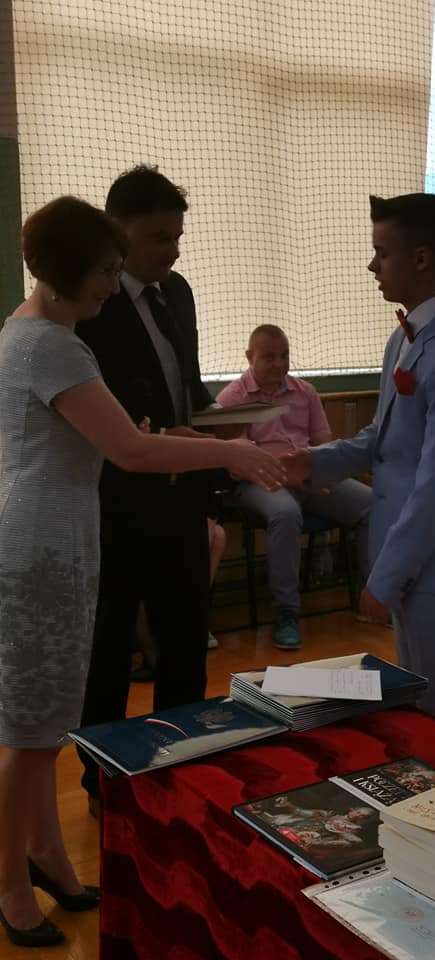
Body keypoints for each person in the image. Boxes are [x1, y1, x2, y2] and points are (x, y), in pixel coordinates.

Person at [0, 196, 284, 948]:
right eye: (103, 271)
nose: (110, 284)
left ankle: (46, 855)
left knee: (43, 727)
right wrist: (228, 451)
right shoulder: (53, 344)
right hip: (42, 544)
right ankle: (9, 885)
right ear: (70, 271)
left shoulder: (29, 330)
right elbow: (128, 450)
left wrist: (165, 435)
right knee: (27, 732)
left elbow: (107, 437)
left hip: (55, 533)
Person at [283, 193, 435, 734]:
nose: (372, 265)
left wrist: (386, 577)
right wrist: (311, 462)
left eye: (382, 252)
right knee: (419, 704)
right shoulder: (404, 339)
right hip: (412, 555)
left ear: (421, 258)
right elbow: (382, 438)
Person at [73, 165, 240, 813]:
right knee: (108, 655)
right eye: (158, 237)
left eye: (177, 236)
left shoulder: (179, 293)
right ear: (117, 234)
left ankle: (179, 768)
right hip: (113, 509)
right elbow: (97, 418)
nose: (172, 250)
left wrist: (223, 424)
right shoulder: (89, 305)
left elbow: (186, 387)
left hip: (181, 500)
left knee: (185, 645)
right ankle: (103, 785)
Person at [215, 324, 371, 650]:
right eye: (269, 357)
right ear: (249, 357)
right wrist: (297, 478)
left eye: (284, 356)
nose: (279, 363)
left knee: (373, 504)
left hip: (309, 477)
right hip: (257, 482)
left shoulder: (305, 392)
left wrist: (322, 475)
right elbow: (240, 463)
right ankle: (286, 613)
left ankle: (371, 596)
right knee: (285, 514)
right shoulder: (231, 399)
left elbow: (324, 444)